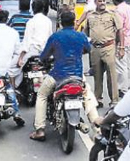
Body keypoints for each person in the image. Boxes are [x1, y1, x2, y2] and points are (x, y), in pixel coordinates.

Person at [30, 11, 99, 141]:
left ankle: (40, 129)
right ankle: (97, 127)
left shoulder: (56, 37)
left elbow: (44, 56)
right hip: (77, 76)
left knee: (42, 95)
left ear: (60, 22)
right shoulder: (81, 36)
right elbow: (88, 49)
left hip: (58, 76)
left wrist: (44, 60)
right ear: (74, 22)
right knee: (87, 96)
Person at [86, 0, 123, 108]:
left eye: (104, 1)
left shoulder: (112, 14)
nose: (102, 3)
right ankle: (97, 99)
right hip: (95, 49)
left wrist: (121, 47)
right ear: (95, 2)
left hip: (109, 47)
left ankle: (114, 100)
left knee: (111, 76)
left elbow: (120, 30)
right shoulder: (90, 15)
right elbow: (86, 32)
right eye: (100, 1)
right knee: (97, 75)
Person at [16, 0, 53, 75]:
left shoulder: (31, 22)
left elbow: (26, 42)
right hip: (45, 52)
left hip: (32, 52)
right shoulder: (48, 21)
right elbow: (50, 38)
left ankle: (14, 86)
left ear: (32, 9)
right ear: (43, 9)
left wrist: (20, 58)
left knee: (12, 69)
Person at [112, 0, 130, 94]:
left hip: (123, 41)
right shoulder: (129, 7)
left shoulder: (118, 11)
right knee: (128, 64)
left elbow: (119, 29)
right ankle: (128, 84)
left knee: (121, 66)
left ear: (114, 0)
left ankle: (122, 88)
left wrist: (119, 45)